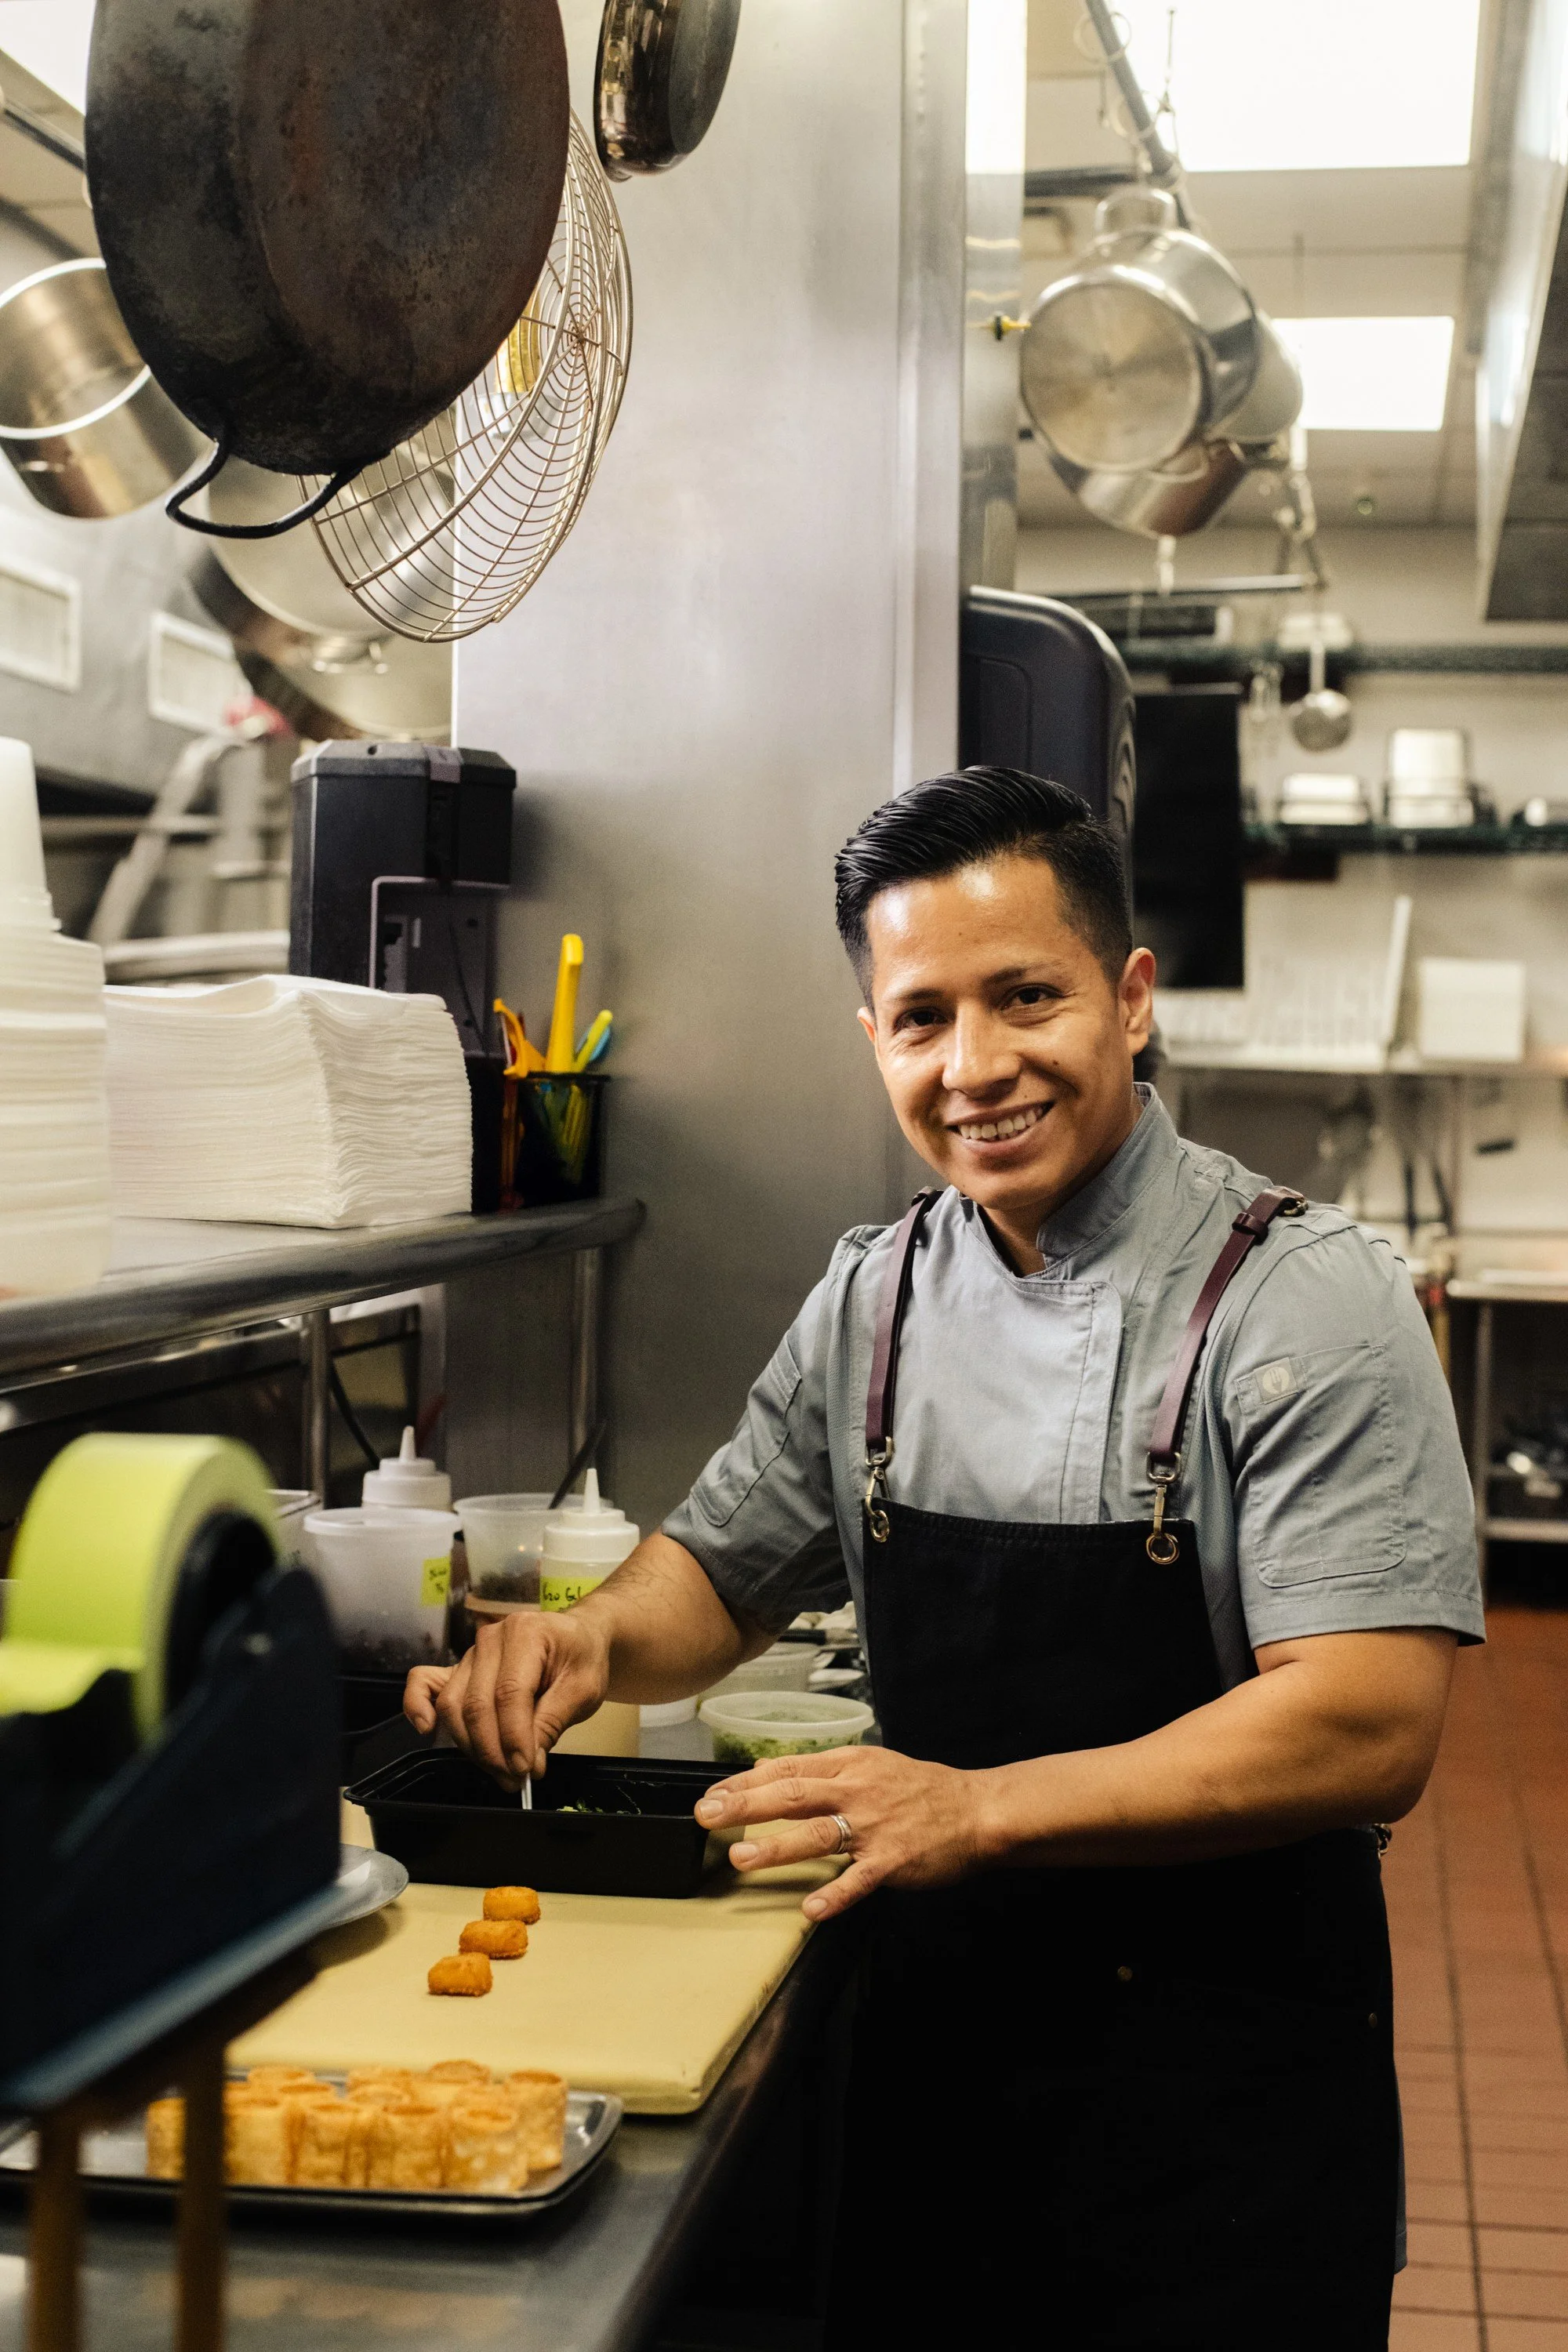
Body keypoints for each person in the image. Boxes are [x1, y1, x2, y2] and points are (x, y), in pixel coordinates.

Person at [408, 766, 1483, 2350]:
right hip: (932, 2062)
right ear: (874, 1043)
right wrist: (592, 1643)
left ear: (1127, 1000)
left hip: (1218, 2099)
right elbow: (720, 1570)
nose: (974, 1067)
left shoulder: (1301, 1299)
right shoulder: (877, 1295)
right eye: (920, 1018)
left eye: (1024, 997)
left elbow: (1365, 1722)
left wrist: (974, 1804)